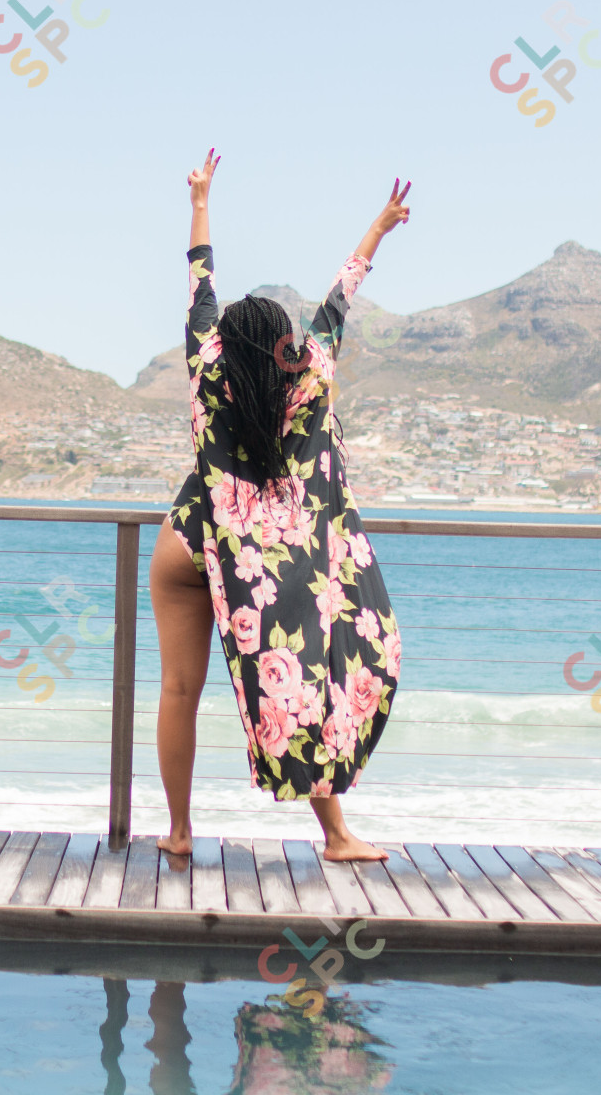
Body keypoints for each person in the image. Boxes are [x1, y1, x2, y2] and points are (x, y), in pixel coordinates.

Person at [152, 148, 408, 862]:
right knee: (309, 678)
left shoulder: (207, 363)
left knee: (179, 689)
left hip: (184, 543)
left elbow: (201, 274)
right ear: (285, 348)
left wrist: (200, 197)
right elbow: (339, 299)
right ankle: (336, 835)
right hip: (261, 566)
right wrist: (379, 229)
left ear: (229, 344)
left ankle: (176, 834)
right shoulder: (309, 381)